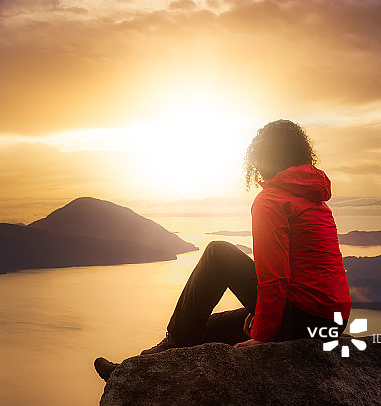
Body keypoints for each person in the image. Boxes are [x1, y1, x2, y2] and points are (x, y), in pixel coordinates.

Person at [94, 119, 352, 381]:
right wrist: (260, 312)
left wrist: (262, 335)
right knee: (208, 327)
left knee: (217, 253)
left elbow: (274, 276)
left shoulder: (271, 200)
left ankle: (162, 351)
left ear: (262, 158)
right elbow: (314, 271)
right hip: (331, 323)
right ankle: (134, 371)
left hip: (302, 320)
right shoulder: (314, 197)